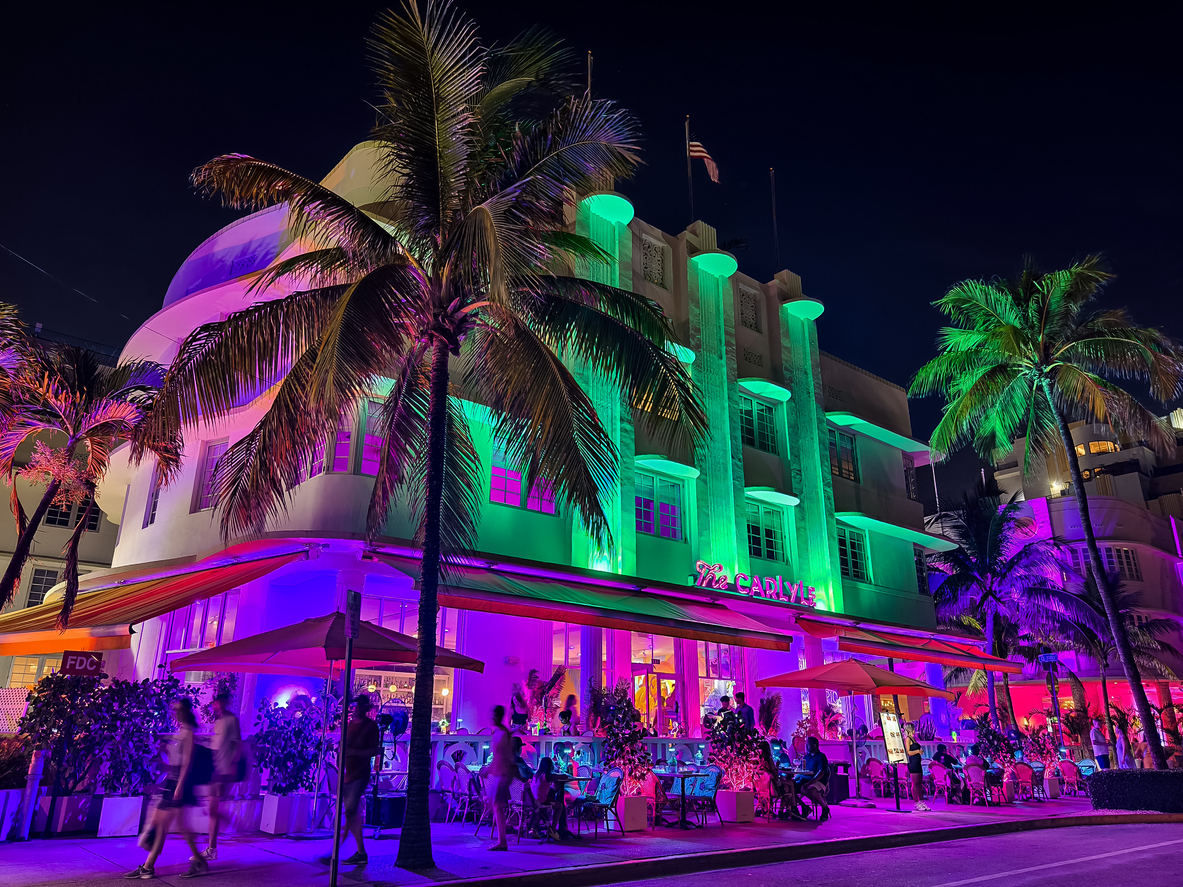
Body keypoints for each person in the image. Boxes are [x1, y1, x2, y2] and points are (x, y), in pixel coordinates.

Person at [126, 698, 206, 879]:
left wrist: (179, 786)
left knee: (170, 825)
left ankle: (149, 867)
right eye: (175, 710)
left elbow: (187, 762)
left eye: (178, 710)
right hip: (174, 781)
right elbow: (179, 758)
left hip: (179, 782)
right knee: (171, 825)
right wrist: (168, 749)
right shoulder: (182, 731)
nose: (175, 713)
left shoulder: (189, 733)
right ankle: (151, 866)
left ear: (185, 711)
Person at [196, 691, 242, 862]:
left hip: (222, 769)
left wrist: (233, 765)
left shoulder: (231, 720)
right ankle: (213, 846)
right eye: (216, 701)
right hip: (215, 768)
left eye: (219, 701)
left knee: (212, 810)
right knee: (212, 810)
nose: (216, 704)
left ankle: (213, 847)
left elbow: (238, 744)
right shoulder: (220, 720)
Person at [337, 695, 381, 866]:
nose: (358, 708)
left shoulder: (371, 727)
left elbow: (374, 750)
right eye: (356, 705)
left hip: (360, 773)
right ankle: (360, 852)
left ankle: (339, 850)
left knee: (350, 811)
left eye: (361, 705)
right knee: (350, 813)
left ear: (366, 707)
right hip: (348, 772)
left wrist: (353, 752)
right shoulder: (350, 725)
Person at [487, 704, 515, 851]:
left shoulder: (503, 734)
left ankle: (502, 841)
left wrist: (490, 769)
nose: (492, 717)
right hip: (500, 772)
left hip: (503, 773)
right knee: (497, 806)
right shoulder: (498, 732)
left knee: (498, 806)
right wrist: (489, 769)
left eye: (494, 715)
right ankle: (502, 839)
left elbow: (503, 756)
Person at [756, 740, 803, 820]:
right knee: (790, 784)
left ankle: (783, 810)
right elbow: (775, 775)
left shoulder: (758, 761)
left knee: (787, 787)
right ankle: (793, 809)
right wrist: (777, 766)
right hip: (772, 788)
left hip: (763, 788)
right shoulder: (769, 760)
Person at [794, 736, 831, 822]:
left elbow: (821, 773)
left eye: (808, 745)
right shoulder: (806, 757)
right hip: (805, 780)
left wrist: (810, 783)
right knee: (790, 788)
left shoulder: (821, 757)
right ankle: (804, 807)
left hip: (818, 781)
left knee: (810, 790)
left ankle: (825, 808)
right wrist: (795, 778)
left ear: (814, 746)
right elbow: (801, 770)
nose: (806, 747)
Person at [904, 723, 928, 812]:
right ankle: (916, 802)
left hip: (918, 762)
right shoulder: (908, 739)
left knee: (919, 782)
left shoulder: (914, 739)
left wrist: (920, 752)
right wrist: (917, 751)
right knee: (914, 783)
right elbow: (909, 752)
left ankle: (921, 801)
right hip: (913, 762)